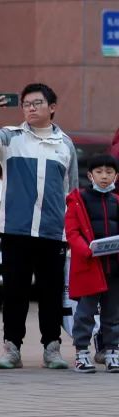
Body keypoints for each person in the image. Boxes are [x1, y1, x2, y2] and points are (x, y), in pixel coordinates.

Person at [0, 84, 78, 370]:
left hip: (52, 231)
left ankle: (52, 347)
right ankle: (12, 348)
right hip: (16, 230)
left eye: (37, 103)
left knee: (50, 291)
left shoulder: (65, 144)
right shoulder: (11, 137)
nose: (31, 108)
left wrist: (70, 230)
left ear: (52, 107)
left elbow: (71, 192)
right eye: (26, 104)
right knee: (14, 291)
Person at [64, 154, 119, 373]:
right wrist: (86, 250)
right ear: (90, 175)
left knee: (113, 314)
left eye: (109, 172)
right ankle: (81, 353)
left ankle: (112, 352)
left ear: (116, 175)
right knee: (85, 313)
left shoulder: (116, 201)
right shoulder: (79, 200)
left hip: (114, 268)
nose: (104, 177)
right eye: (99, 172)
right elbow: (72, 231)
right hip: (89, 267)